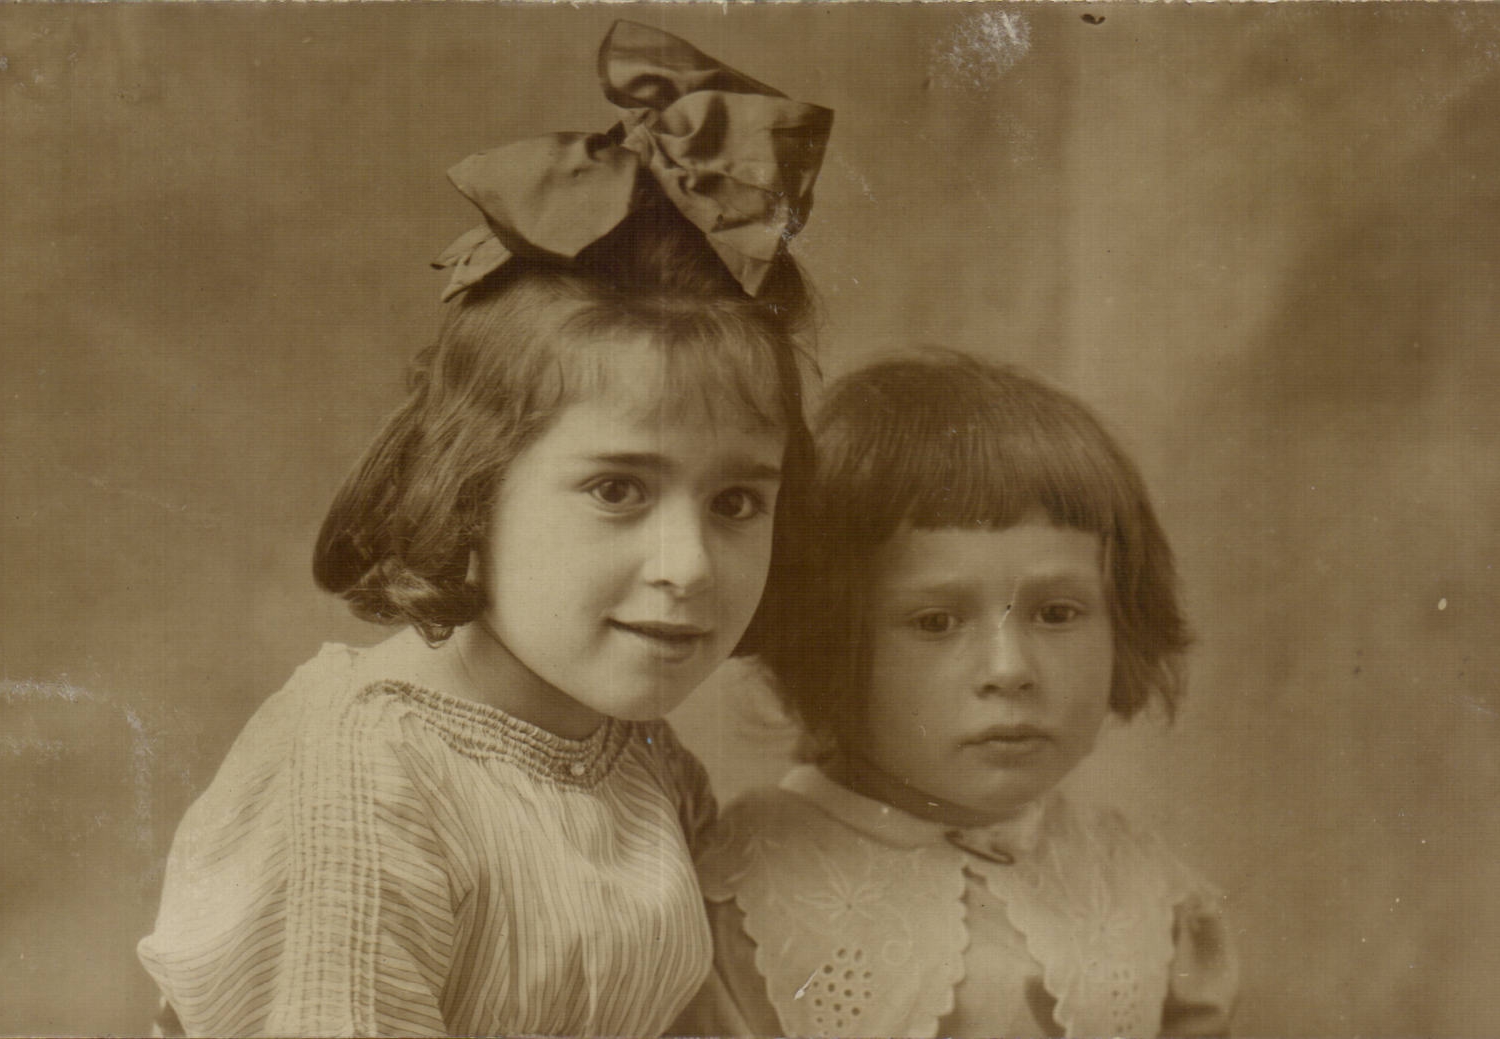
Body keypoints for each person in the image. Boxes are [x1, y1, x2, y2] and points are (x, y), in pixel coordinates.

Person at [137, 21, 831, 1037]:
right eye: (618, 491)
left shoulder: (645, 758)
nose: (689, 568)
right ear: (473, 492)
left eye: (736, 502)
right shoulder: (363, 775)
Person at [680, 351, 1238, 1038]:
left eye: (1057, 613)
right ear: (824, 642)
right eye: (935, 622)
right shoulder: (740, 900)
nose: (1009, 669)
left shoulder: (1144, 891)